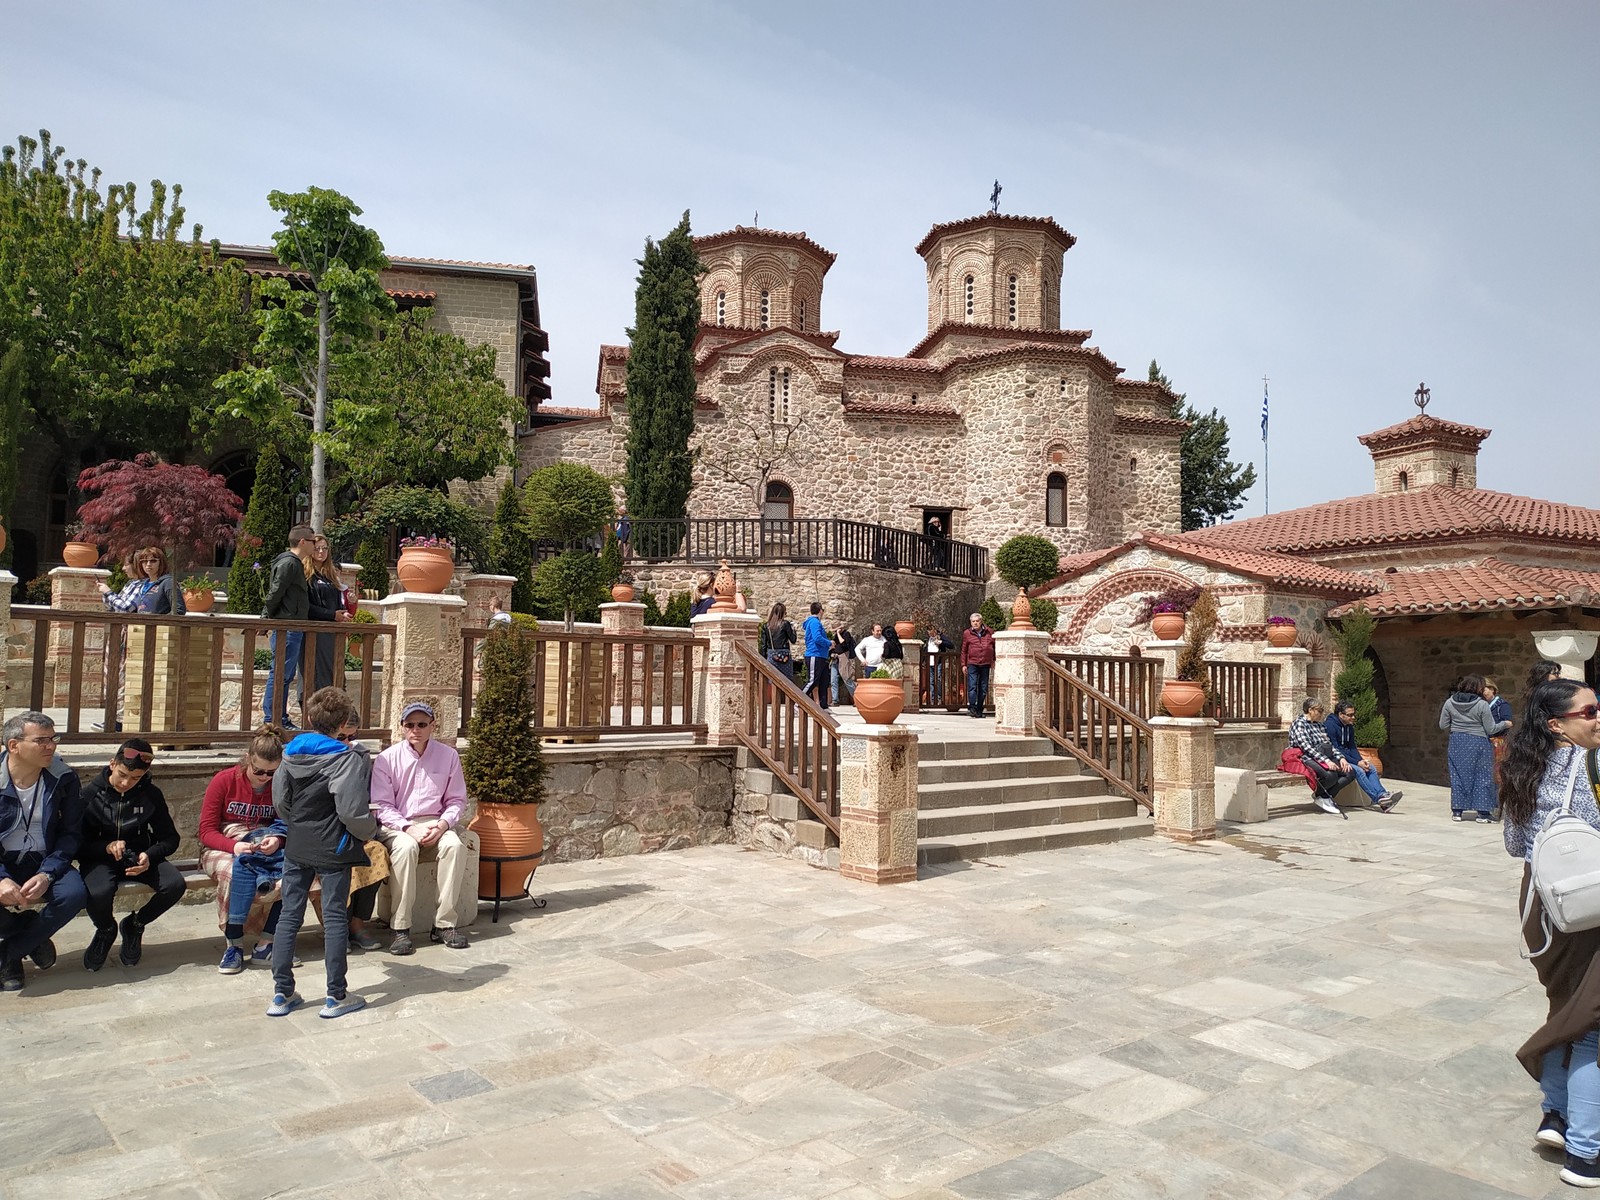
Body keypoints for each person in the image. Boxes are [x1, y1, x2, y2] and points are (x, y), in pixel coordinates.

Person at [1501, 678, 1600, 1188]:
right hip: (1591, 909)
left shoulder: (1523, 770)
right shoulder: (1592, 770)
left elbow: (1516, 843)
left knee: (1567, 1010)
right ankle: (1586, 1154)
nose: (1597, 717)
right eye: (1589, 711)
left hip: (1542, 906)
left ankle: (1555, 1116)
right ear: (1557, 723)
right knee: (1594, 1029)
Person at [267, 687, 377, 1019]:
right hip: (334, 844)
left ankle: (282, 994)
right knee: (333, 918)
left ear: (310, 718)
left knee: (289, 914)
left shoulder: (290, 752)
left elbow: (280, 801)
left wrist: (298, 826)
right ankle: (335, 996)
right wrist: (369, 833)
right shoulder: (345, 758)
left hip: (298, 843)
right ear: (344, 722)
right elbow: (351, 811)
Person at [370, 701, 469, 953]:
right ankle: (400, 927)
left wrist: (444, 824)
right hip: (399, 825)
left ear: (432, 726)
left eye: (422, 724)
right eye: (410, 724)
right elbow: (381, 805)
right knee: (404, 850)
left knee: (455, 846)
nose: (416, 729)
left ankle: (445, 924)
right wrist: (407, 828)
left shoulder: (449, 756)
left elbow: (457, 800)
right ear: (402, 727)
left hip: (436, 822)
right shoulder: (386, 759)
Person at [78, 739, 184, 971]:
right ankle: (106, 929)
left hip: (139, 856)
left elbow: (170, 838)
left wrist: (149, 855)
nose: (126, 783)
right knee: (98, 892)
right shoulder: (89, 795)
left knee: (175, 884)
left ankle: (135, 924)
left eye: (135, 778)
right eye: (123, 774)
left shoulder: (151, 794)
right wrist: (105, 847)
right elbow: (76, 844)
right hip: (99, 858)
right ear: (112, 764)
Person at [0, 712, 86, 993]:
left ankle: (9, 953)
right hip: (4, 862)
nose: (51, 746)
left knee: (73, 894)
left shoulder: (63, 777)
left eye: (53, 739)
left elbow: (71, 833)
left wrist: (48, 873)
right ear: (14, 746)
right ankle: (27, 932)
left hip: (43, 860)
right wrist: (1, 877)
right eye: (41, 741)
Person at [200, 727, 294, 973]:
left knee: (296, 875)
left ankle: (267, 943)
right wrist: (235, 846)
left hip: (265, 845)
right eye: (258, 771)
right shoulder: (224, 780)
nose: (264, 777)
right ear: (247, 759)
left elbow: (287, 822)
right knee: (233, 873)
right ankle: (234, 944)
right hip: (223, 844)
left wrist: (277, 840)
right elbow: (207, 832)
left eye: (271, 773)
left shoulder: (281, 785)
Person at [262, 526, 315, 728]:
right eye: (312, 541)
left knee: (283, 674)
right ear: (302, 542)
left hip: (291, 625)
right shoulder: (289, 563)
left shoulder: (292, 563)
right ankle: (274, 719)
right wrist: (268, 618)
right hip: (288, 626)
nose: (314, 545)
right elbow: (275, 593)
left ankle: (276, 718)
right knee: (280, 674)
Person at [1440, 673, 1511, 823]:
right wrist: (1505, 724)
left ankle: (1457, 812)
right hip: (1479, 742)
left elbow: (1443, 725)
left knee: (1457, 775)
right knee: (1482, 776)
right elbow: (1491, 728)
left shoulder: (1449, 702)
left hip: (1457, 741)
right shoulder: (1481, 704)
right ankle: (1482, 813)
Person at [1322, 701, 1402, 812]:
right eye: (1350, 715)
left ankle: (1383, 795)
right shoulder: (1330, 726)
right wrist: (1357, 763)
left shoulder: (1349, 726)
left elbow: (1352, 747)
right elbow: (1336, 749)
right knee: (1358, 771)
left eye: (1353, 714)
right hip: (1335, 758)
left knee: (1371, 768)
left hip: (1347, 758)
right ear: (1341, 715)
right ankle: (1379, 799)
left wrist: (1360, 760)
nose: (1353, 717)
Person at [305, 533, 353, 693]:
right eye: (317, 548)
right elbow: (306, 606)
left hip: (334, 632)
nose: (321, 552)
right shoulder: (305, 574)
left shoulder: (330, 575)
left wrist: (344, 613)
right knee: (320, 677)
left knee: (338, 675)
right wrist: (332, 615)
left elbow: (338, 602)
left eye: (324, 548)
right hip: (316, 631)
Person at [1288, 699, 1353, 814]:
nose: (1322, 713)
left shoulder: (1319, 725)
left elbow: (1329, 744)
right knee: (1330, 775)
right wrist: (1327, 761)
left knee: (1349, 772)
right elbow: (1306, 748)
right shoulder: (1299, 724)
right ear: (1310, 710)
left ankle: (1323, 796)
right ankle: (1322, 795)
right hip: (1305, 758)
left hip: (1323, 756)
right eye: (1320, 710)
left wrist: (1341, 757)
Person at [97, 546, 185, 616]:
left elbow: (178, 610)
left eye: (153, 561)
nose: (148, 564)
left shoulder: (168, 582)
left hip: (160, 633)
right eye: (144, 561)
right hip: (139, 632)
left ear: (161, 563)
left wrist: (160, 623)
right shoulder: (142, 584)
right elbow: (122, 609)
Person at [960, 612, 995, 719]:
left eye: (977, 621)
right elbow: (964, 650)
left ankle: (979, 709)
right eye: (973, 621)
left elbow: (995, 646)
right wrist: (963, 664)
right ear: (971, 622)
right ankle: (972, 708)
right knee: (972, 686)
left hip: (985, 663)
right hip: (972, 663)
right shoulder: (967, 633)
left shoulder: (989, 632)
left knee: (983, 688)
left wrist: (993, 660)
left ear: (981, 621)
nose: (975, 623)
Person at [801, 601, 831, 710]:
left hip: (821, 655)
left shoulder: (815, 622)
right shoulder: (815, 622)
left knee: (824, 681)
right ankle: (798, 702)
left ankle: (823, 707)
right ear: (820, 611)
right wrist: (829, 643)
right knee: (812, 681)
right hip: (815, 654)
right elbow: (817, 638)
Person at [760, 602, 796, 679]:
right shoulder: (785, 624)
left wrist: (763, 659)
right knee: (787, 680)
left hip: (772, 655)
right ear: (782, 613)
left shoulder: (766, 626)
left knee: (772, 679)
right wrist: (794, 629)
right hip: (785, 656)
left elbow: (763, 645)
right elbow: (793, 640)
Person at [925, 623, 953, 706]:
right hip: (930, 663)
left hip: (938, 662)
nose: (929, 632)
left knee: (938, 679)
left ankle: (939, 698)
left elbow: (951, 645)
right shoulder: (928, 639)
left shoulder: (941, 636)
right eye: (928, 631)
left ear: (934, 630)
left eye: (931, 630)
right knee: (931, 681)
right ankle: (933, 699)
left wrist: (941, 642)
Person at [831, 623, 857, 706]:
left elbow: (844, 643)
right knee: (833, 680)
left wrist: (838, 634)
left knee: (847, 679)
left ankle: (856, 698)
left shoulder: (846, 634)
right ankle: (835, 700)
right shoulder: (835, 637)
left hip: (844, 657)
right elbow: (834, 646)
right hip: (836, 659)